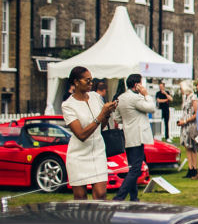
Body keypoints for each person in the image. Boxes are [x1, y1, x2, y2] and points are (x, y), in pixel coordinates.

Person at [61, 65, 119, 200]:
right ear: (76, 82)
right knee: (80, 197)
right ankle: (84, 221)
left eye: (92, 80)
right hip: (78, 155)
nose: (91, 83)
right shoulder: (68, 105)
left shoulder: (95, 97)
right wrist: (100, 115)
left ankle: (98, 221)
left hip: (98, 151)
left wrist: (107, 113)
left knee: (101, 194)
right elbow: (81, 135)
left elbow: (101, 127)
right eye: (87, 80)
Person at [112, 73, 156, 202]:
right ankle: (119, 197)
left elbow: (118, 118)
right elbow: (151, 108)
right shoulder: (135, 98)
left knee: (132, 167)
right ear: (137, 85)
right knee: (136, 169)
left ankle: (134, 197)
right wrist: (146, 94)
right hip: (137, 136)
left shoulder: (121, 98)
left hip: (128, 135)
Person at [178, 81, 198, 178]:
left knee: (193, 147)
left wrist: (186, 120)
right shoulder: (185, 97)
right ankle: (190, 168)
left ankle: (194, 168)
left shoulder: (193, 98)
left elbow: (196, 113)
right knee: (187, 147)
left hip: (191, 125)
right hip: (185, 125)